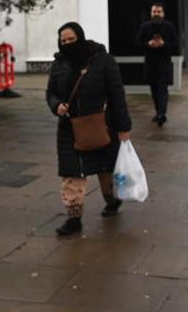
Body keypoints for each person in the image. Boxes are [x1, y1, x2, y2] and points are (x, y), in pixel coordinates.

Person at [46, 22, 132, 236]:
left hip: (102, 125)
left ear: (81, 37)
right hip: (69, 128)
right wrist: (56, 105)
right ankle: (74, 218)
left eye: (71, 40)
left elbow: (117, 95)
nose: (67, 44)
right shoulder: (58, 65)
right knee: (71, 173)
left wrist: (123, 127)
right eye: (63, 41)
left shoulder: (103, 60)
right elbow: (51, 93)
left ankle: (112, 200)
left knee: (106, 169)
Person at [135, 3, 178, 127]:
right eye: (154, 12)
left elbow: (175, 43)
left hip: (164, 63)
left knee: (162, 89)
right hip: (150, 63)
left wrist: (164, 44)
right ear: (151, 13)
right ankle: (158, 111)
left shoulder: (169, 26)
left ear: (163, 13)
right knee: (154, 90)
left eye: (159, 12)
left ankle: (162, 113)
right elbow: (137, 42)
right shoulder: (145, 26)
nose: (156, 14)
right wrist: (148, 44)